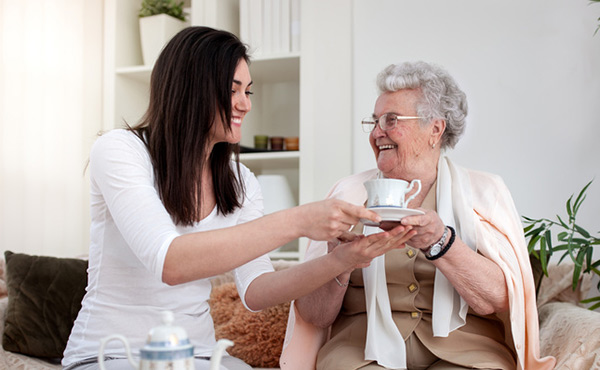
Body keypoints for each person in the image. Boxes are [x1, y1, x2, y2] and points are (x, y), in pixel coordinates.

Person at [61, 27, 414, 370]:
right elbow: (170, 263)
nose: (245, 105)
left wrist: (342, 261)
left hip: (199, 356)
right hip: (109, 355)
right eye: (233, 90)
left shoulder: (239, 180)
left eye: (249, 92)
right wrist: (299, 220)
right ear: (191, 88)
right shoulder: (121, 151)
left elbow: (257, 291)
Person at [280, 61, 557, 370]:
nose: (376, 133)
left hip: (466, 349)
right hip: (361, 348)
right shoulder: (347, 194)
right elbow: (314, 314)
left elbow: (499, 300)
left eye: (390, 120)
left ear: (435, 129)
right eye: (373, 122)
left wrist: (442, 242)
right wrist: (338, 261)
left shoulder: (485, 193)